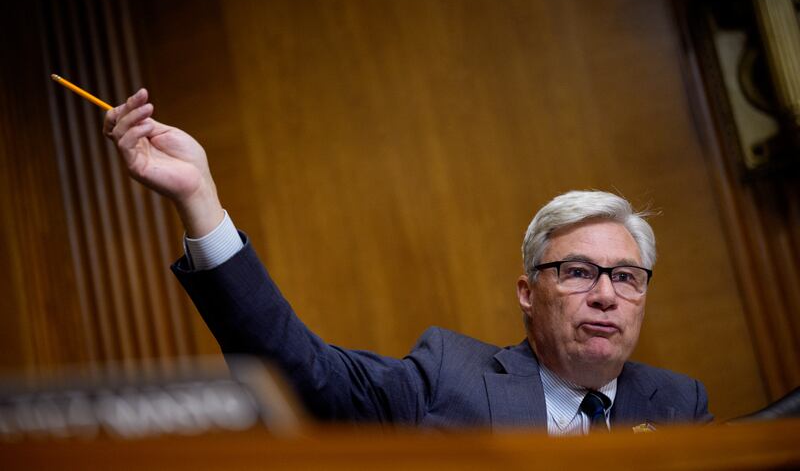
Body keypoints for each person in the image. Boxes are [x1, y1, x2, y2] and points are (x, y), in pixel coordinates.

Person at [104, 88, 713, 434]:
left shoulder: (679, 404)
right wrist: (199, 199)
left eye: (626, 277)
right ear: (528, 292)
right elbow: (299, 367)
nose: (607, 294)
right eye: (579, 272)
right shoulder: (448, 378)